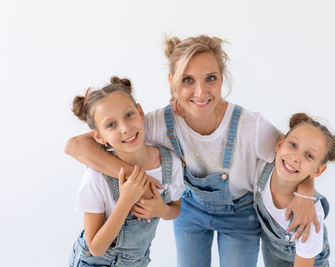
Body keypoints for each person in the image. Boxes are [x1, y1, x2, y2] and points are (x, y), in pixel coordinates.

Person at [65, 35, 320, 267]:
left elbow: (293, 157)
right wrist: (135, 176)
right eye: (187, 80)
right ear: (173, 82)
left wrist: (307, 192)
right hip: (190, 211)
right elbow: (75, 145)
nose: (200, 92)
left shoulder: (250, 126)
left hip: (240, 215)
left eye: (211, 78)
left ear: (222, 78)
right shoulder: (157, 123)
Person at [68, 77, 185, 267]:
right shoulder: (96, 177)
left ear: (140, 112)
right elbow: (96, 248)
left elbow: (175, 209)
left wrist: (161, 210)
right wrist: (125, 201)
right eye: (111, 125)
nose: (125, 128)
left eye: (129, 115)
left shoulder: (170, 164)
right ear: (98, 136)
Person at [254, 113, 335, 267]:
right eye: (293, 145)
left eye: (309, 155)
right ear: (279, 143)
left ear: (317, 171)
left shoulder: (310, 219)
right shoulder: (262, 169)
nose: (295, 157)